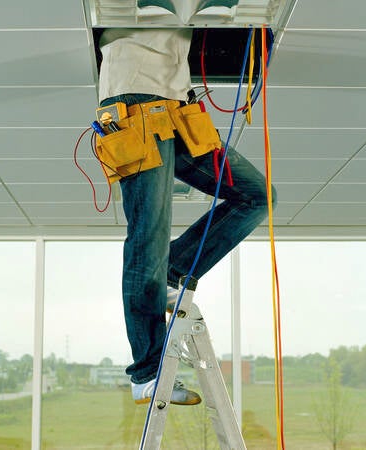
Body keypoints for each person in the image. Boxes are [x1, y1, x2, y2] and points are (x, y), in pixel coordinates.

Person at [97, 28, 276, 405]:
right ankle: (146, 373)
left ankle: (170, 269)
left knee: (258, 196)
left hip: (177, 104)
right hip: (136, 99)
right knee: (150, 231)